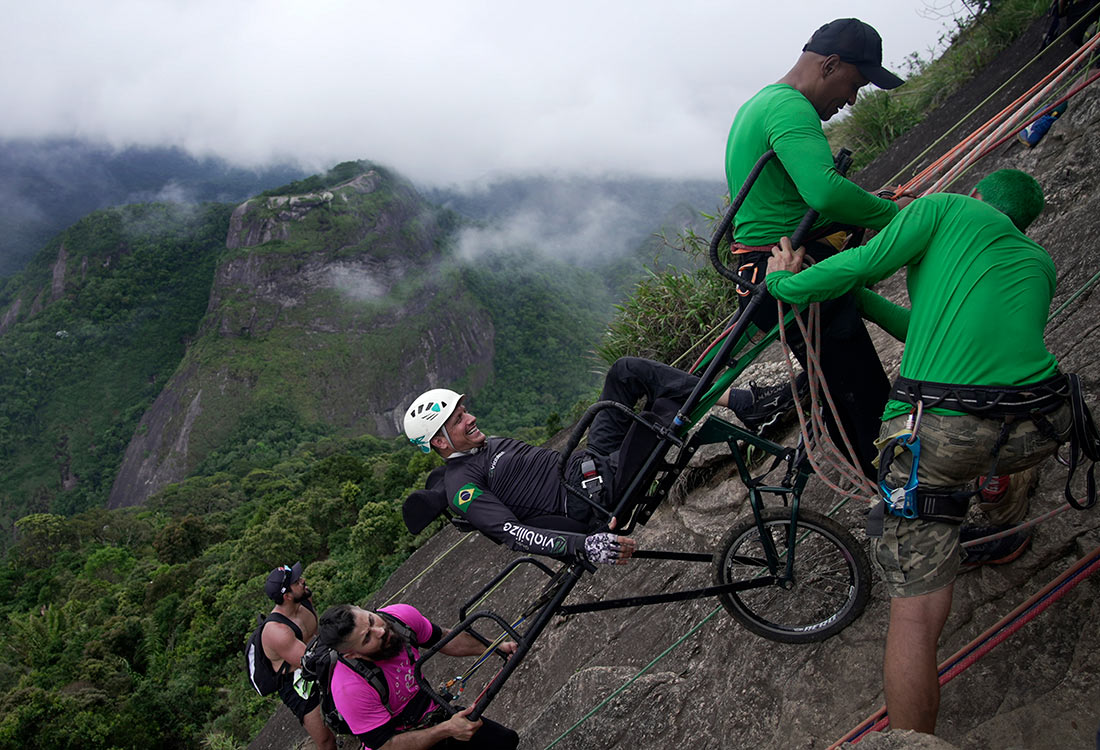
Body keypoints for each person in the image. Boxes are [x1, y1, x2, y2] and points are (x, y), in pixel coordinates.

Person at [764, 169, 1072, 733]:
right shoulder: (1037, 263)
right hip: (1043, 420)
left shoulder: (947, 208)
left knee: (916, 612)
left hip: (942, 429)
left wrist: (785, 283)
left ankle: (912, 744)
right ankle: (999, 496)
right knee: (991, 448)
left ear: (976, 193)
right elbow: (929, 330)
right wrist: (853, 296)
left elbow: (864, 261)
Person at [725, 17, 912, 478]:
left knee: (844, 389)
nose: (851, 100)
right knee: (862, 397)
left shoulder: (761, 103)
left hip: (770, 271)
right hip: (791, 272)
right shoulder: (790, 109)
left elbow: (791, 204)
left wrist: (877, 205)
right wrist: (903, 217)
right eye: (854, 84)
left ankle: (877, 486)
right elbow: (824, 193)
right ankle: (903, 510)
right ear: (829, 65)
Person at [402, 357, 777, 564]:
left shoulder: (484, 446)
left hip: (590, 461)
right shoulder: (462, 486)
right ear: (439, 441)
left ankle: (747, 404)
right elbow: (511, 533)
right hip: (598, 494)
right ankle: (753, 408)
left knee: (624, 373)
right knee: (660, 413)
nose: (471, 418)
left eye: (465, 410)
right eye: (458, 420)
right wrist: (586, 545)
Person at [316, 602, 519, 749]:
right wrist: (446, 730)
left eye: (371, 619)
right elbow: (386, 745)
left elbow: (444, 639)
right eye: (367, 638)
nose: (380, 630)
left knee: (505, 741)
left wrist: (496, 647)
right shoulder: (349, 689)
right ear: (352, 654)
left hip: (434, 713)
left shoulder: (399, 619)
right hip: (401, 739)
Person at [260, 562, 337, 750]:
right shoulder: (277, 631)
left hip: (318, 656)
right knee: (326, 740)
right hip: (297, 682)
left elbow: (316, 637)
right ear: (286, 596)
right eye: (296, 581)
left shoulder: (303, 601)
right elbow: (312, 664)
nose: (303, 580)